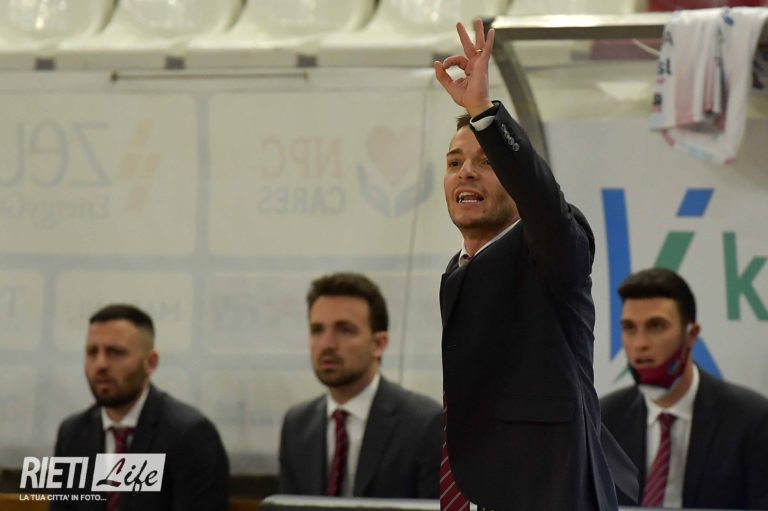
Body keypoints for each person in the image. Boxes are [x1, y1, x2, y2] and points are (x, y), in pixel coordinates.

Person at [433, 19, 636, 511]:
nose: (466, 172)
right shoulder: (458, 270)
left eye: (486, 161)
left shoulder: (551, 247)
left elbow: (543, 201)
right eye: (455, 162)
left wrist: (483, 113)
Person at [601, 268, 768, 509]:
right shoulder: (604, 420)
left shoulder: (752, 419)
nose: (640, 343)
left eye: (656, 326)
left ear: (692, 334)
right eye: (629, 328)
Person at [278, 272, 442, 498]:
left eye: (345, 329)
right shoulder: (297, 425)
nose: (327, 344)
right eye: (317, 330)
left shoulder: (424, 423)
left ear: (379, 344)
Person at [51, 304, 229, 511]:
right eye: (92, 352)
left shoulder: (189, 436)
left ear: (150, 363)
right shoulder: (73, 434)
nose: (100, 364)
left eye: (115, 353)